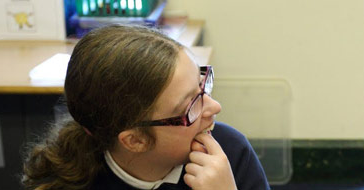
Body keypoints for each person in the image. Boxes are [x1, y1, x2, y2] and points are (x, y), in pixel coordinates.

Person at [21, 25, 270, 190]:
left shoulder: (231, 153)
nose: (215, 106)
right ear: (135, 141)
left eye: (202, 84)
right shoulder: (62, 181)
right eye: (191, 106)